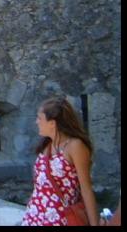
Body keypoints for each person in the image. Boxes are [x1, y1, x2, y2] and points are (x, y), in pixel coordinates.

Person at [22, 96, 99, 226]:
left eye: (39, 118)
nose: (36, 122)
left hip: (60, 219)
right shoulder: (48, 145)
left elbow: (86, 189)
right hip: (34, 217)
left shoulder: (75, 146)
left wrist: (94, 224)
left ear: (52, 123)